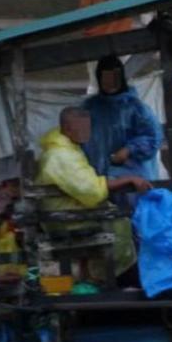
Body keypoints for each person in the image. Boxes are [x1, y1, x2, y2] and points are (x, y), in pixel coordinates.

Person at [37, 107, 152, 280]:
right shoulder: (60, 155)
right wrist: (127, 179)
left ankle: (101, 276)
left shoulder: (68, 148)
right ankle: (111, 277)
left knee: (123, 218)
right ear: (67, 129)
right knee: (121, 222)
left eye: (88, 128)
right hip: (66, 220)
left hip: (68, 214)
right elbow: (91, 191)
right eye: (81, 128)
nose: (87, 133)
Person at [81, 55, 163, 191]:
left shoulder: (135, 108)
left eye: (115, 77)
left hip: (133, 174)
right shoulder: (90, 107)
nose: (110, 83)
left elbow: (153, 137)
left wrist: (129, 149)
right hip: (98, 176)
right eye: (106, 78)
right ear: (99, 78)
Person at [79, 0, 136, 92]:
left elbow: (85, 13)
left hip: (96, 43)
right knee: (124, 80)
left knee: (95, 83)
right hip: (123, 40)